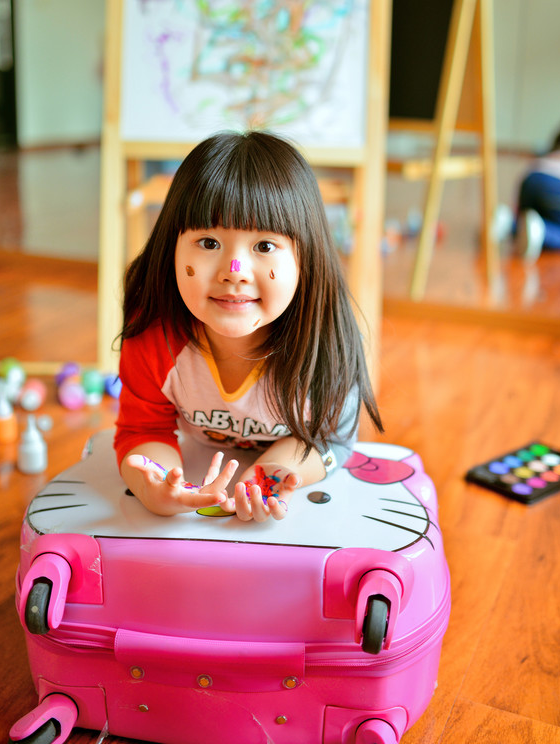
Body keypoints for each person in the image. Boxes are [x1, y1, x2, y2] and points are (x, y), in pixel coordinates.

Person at [114, 130, 382, 523]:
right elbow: (143, 430)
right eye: (208, 242)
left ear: (305, 257)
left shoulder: (325, 343)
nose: (233, 273)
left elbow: (332, 439)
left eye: (264, 247)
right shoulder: (154, 338)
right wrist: (157, 487)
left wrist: (273, 473)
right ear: (171, 247)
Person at [512, 99, 560, 261]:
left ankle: (506, 223)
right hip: (559, 186)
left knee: (526, 222)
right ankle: (542, 231)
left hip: (530, 177)